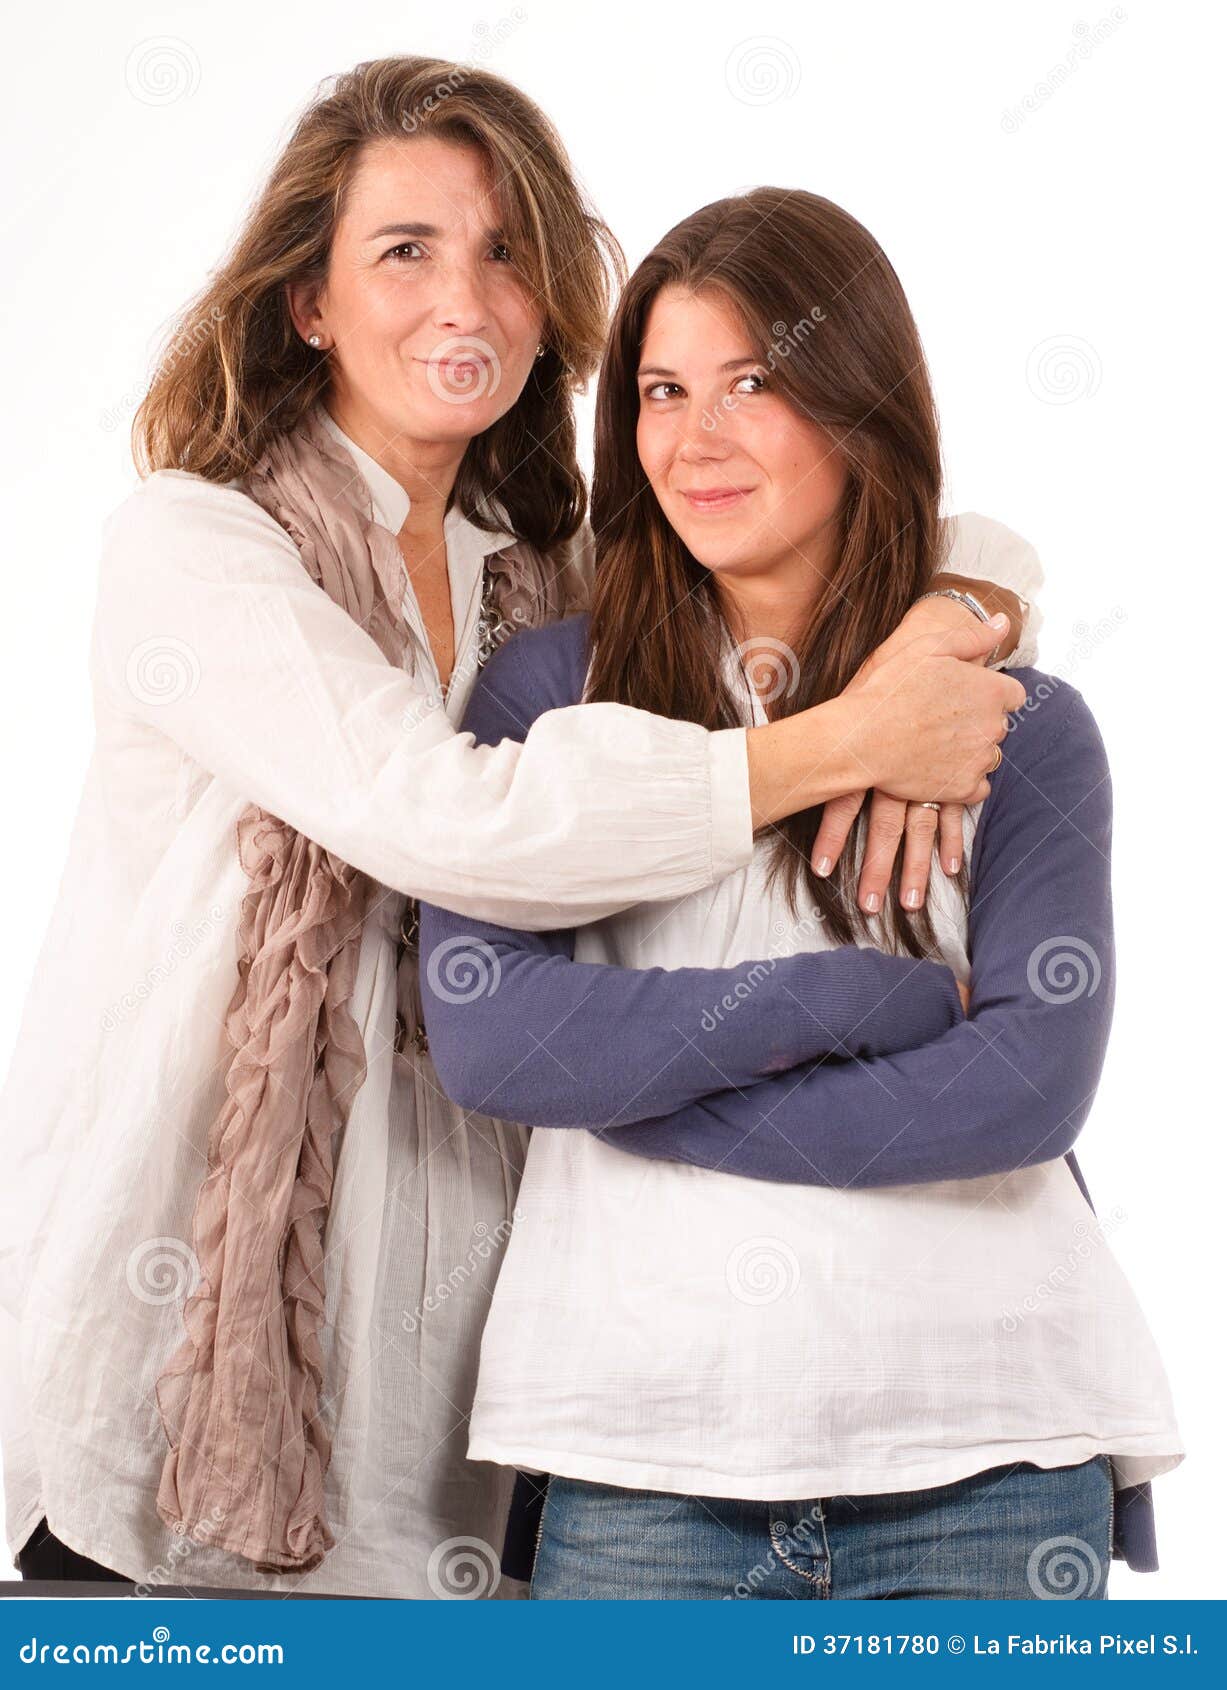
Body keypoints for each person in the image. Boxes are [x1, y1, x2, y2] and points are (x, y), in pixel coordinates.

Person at [1, 59, 1034, 1598]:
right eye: (403, 250)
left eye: (504, 251)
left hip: (482, 1411)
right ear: (308, 302)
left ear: (553, 299)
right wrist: (843, 744)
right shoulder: (194, 546)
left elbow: (904, 523)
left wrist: (946, 621)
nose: (461, 297)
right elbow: (448, 817)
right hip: (179, 1395)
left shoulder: (555, 576)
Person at [418, 187, 1183, 1600]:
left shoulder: (1019, 727)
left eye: (751, 383)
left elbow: (1028, 1084)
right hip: (636, 1458)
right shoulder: (547, 696)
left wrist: (644, 1089)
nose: (694, 438)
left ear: (860, 407)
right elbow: (493, 1037)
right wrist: (854, 998)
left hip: (988, 1452)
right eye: (661, 390)